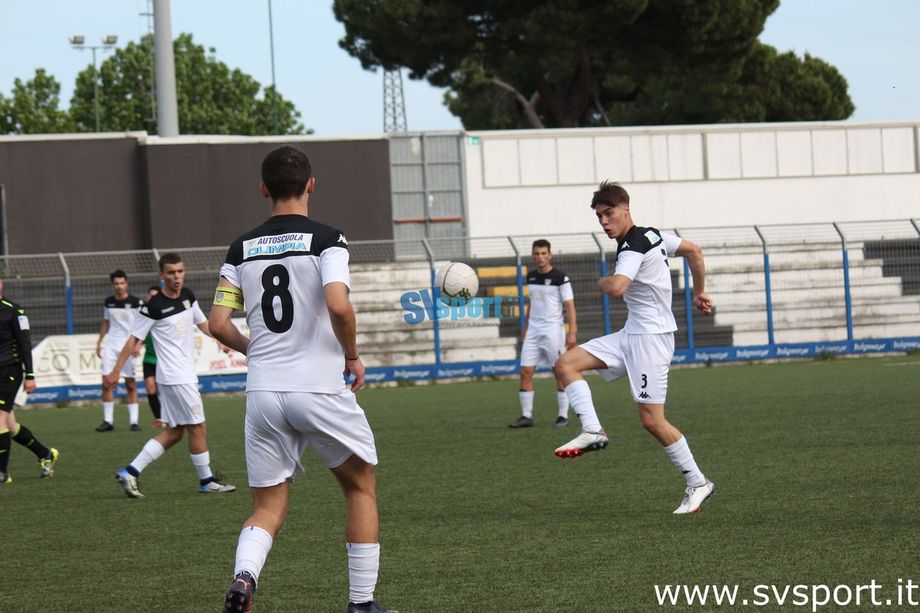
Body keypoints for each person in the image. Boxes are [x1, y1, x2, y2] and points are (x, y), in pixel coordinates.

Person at [209, 146, 396, 613]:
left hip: (264, 393)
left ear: (263, 190)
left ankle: (244, 578)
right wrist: (352, 355)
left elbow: (217, 323)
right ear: (311, 185)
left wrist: (255, 349)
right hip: (317, 386)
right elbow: (338, 304)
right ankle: (361, 604)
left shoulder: (241, 247)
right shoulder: (327, 240)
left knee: (268, 507)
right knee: (359, 485)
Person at [553, 181, 716, 515]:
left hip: (650, 341)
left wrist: (602, 281)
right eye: (599, 216)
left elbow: (617, 287)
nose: (603, 222)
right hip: (632, 334)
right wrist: (699, 291)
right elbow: (694, 251)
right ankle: (592, 430)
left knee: (652, 421)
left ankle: (697, 482)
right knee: (566, 364)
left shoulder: (631, 247)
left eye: (609, 213)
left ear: (626, 208)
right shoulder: (652, 235)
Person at [106, 253, 236, 498]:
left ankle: (130, 472)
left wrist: (221, 339)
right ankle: (206, 481)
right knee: (198, 427)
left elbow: (203, 323)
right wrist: (115, 371)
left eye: (180, 271)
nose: (177, 277)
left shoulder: (188, 296)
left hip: (181, 375)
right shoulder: (153, 307)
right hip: (176, 377)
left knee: (176, 432)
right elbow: (134, 339)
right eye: (171, 273)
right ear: (161, 275)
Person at [509, 239, 577, 428]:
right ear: (533, 256)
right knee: (525, 371)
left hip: (553, 331)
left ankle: (562, 415)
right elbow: (532, 303)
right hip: (533, 331)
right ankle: (526, 416)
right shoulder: (530, 277)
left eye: (543, 253)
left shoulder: (560, 278)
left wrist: (572, 333)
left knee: (559, 371)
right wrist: (525, 327)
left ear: (550, 255)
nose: (539, 257)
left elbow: (570, 306)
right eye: (536, 254)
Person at [0, 278, 58, 484]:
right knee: (10, 425)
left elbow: (25, 344)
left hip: (9, 372)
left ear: (1, 284)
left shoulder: (15, 311)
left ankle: (2, 473)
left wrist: (30, 375)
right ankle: (45, 453)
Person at [95, 270, 143, 432]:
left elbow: (143, 326)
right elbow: (106, 322)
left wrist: (138, 344)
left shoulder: (137, 303)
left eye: (122, 283)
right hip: (111, 346)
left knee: (130, 383)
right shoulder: (109, 302)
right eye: (116, 283)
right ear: (112, 285)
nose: (119, 286)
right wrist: (99, 341)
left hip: (128, 346)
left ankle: (134, 421)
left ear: (126, 283)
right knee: (106, 382)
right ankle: (108, 421)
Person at [142, 285, 164, 429]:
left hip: (164, 359)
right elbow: (137, 333)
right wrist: (137, 345)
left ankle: (171, 417)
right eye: (151, 296)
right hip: (149, 358)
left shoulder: (165, 314)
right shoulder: (144, 315)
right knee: (150, 388)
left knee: (167, 391)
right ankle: (158, 419)